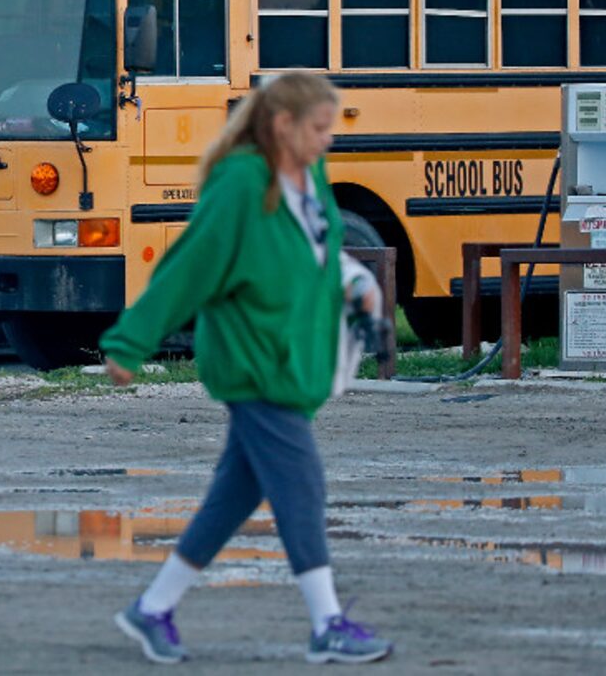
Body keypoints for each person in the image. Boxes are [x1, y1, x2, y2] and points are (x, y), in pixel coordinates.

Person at [101, 71, 393, 665]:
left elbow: (315, 258)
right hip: (252, 362)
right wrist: (130, 343)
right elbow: (190, 267)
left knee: (235, 494)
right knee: (302, 484)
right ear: (283, 125)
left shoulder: (307, 179)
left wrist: (356, 289)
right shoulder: (239, 184)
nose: (327, 140)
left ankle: (153, 608)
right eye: (318, 128)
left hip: (292, 361)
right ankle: (327, 623)